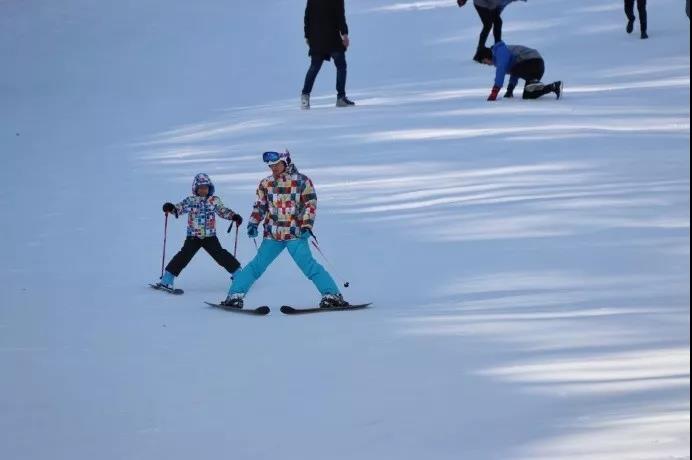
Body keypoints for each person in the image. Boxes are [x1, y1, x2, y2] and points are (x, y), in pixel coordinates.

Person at [220, 151, 349, 309]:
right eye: (270, 166)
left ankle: (332, 295)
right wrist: (253, 223)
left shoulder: (302, 181)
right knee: (256, 266)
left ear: (285, 162)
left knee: (309, 266)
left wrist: (307, 225)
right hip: (272, 235)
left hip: (295, 234)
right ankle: (235, 296)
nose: (273, 168)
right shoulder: (265, 183)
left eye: (276, 164)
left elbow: (310, 204)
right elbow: (260, 206)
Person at [156, 173, 243, 290]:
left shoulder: (214, 200)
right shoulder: (191, 200)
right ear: (196, 189)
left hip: (210, 236)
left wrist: (233, 216)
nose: (203, 190)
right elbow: (180, 208)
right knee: (184, 256)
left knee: (220, 254)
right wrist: (171, 208)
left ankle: (239, 274)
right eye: (201, 187)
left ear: (210, 188)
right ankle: (167, 278)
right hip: (193, 236)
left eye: (206, 187)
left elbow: (222, 211)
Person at [301, 0, 354, 109]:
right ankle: (340, 98)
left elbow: (307, 16)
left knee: (314, 66)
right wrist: (344, 34)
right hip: (332, 37)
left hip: (317, 38)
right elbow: (340, 15)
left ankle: (304, 99)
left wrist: (307, 35)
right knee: (341, 65)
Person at [478, 42, 562, 101]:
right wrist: (510, 90)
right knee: (528, 95)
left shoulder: (500, 51)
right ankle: (554, 86)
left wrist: (494, 92)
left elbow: (501, 71)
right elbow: (515, 72)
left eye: (484, 62)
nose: (486, 64)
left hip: (533, 61)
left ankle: (533, 81)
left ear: (486, 56)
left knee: (513, 69)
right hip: (535, 67)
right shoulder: (501, 60)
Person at [457, 0, 527, 62]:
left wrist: (496, 14)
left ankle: (498, 48)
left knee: (498, 22)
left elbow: (500, 7)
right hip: (480, 3)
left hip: (491, 5)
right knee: (488, 25)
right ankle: (480, 50)